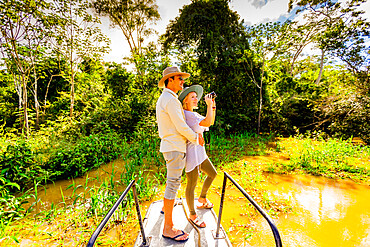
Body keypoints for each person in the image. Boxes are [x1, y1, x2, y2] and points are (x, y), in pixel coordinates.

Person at [156, 66, 205, 242]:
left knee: (172, 182)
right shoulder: (171, 100)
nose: (182, 82)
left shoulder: (168, 98)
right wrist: (195, 138)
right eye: (179, 78)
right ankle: (168, 228)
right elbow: (180, 126)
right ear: (170, 80)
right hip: (175, 147)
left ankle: (165, 208)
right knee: (173, 184)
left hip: (171, 146)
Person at [178, 85, 217, 228]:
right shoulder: (187, 115)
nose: (196, 99)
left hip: (200, 152)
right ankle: (192, 214)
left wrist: (212, 106)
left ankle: (202, 198)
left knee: (212, 173)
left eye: (196, 97)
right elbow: (207, 122)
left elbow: (210, 121)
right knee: (192, 183)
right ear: (186, 100)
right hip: (191, 153)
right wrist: (208, 106)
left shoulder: (194, 114)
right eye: (192, 97)